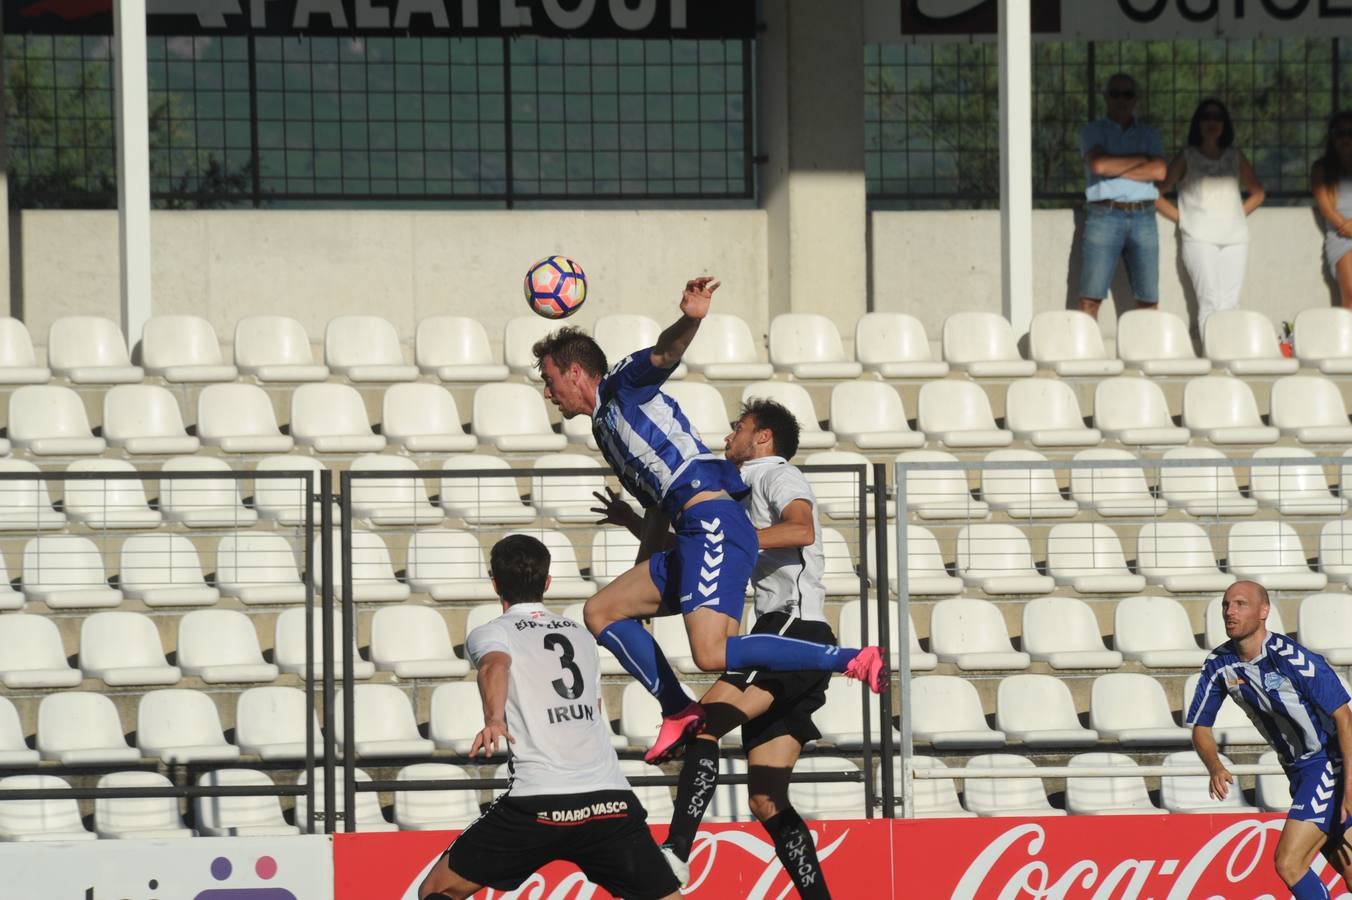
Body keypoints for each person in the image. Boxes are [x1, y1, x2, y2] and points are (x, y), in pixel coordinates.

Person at [593, 398, 840, 899]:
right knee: (767, 802)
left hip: (788, 629)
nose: (728, 438)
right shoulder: (739, 491)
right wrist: (634, 523)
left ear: (764, 438)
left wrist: (739, 538)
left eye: (739, 428)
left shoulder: (776, 475)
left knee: (700, 726)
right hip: (799, 640)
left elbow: (801, 528)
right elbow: (702, 545)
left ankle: (677, 855)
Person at [417, 534, 683, 900]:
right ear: (547, 583)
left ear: (494, 583)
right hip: (609, 800)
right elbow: (595, 707)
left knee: (437, 889)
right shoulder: (580, 633)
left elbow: (495, 664)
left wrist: (494, 718)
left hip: (540, 802)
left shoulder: (492, 632)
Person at [1186, 580, 1352, 900]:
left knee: (1289, 863)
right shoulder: (1219, 664)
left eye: (1240, 604)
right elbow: (1200, 727)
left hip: (1327, 765)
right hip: (1298, 772)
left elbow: (1344, 717)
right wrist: (1215, 766)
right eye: (1226, 605)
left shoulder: (1293, 658)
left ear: (1264, 611)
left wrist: (1350, 784)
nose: (1230, 611)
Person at [1154, 98, 1266, 333]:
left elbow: (1258, 193)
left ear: (1225, 124)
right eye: (1206, 117)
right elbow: (1156, 194)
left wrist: (1237, 214)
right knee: (1210, 301)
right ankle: (1214, 359)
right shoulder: (1187, 156)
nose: (1212, 122)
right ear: (1198, 123)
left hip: (1235, 238)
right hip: (1199, 238)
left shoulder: (1235, 155)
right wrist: (1182, 218)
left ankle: (1229, 356)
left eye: (1218, 117)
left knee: (1231, 303)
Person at [1077, 72, 1168, 320]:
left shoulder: (1149, 134)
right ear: (1106, 97)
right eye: (1115, 93)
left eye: (1127, 94)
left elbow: (1159, 171)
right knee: (1090, 299)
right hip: (1104, 214)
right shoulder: (1092, 131)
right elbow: (1098, 166)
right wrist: (1140, 159)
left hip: (1144, 216)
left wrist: (1113, 166)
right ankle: (1087, 356)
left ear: (1135, 99)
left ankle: (1146, 356)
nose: (1121, 99)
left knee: (1148, 300)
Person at [1313, 110, 1352, 309]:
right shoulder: (1321, 168)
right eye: (1340, 133)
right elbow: (1325, 208)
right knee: (1350, 292)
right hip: (1342, 236)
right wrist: (1346, 226)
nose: (1345, 138)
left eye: (1350, 133)